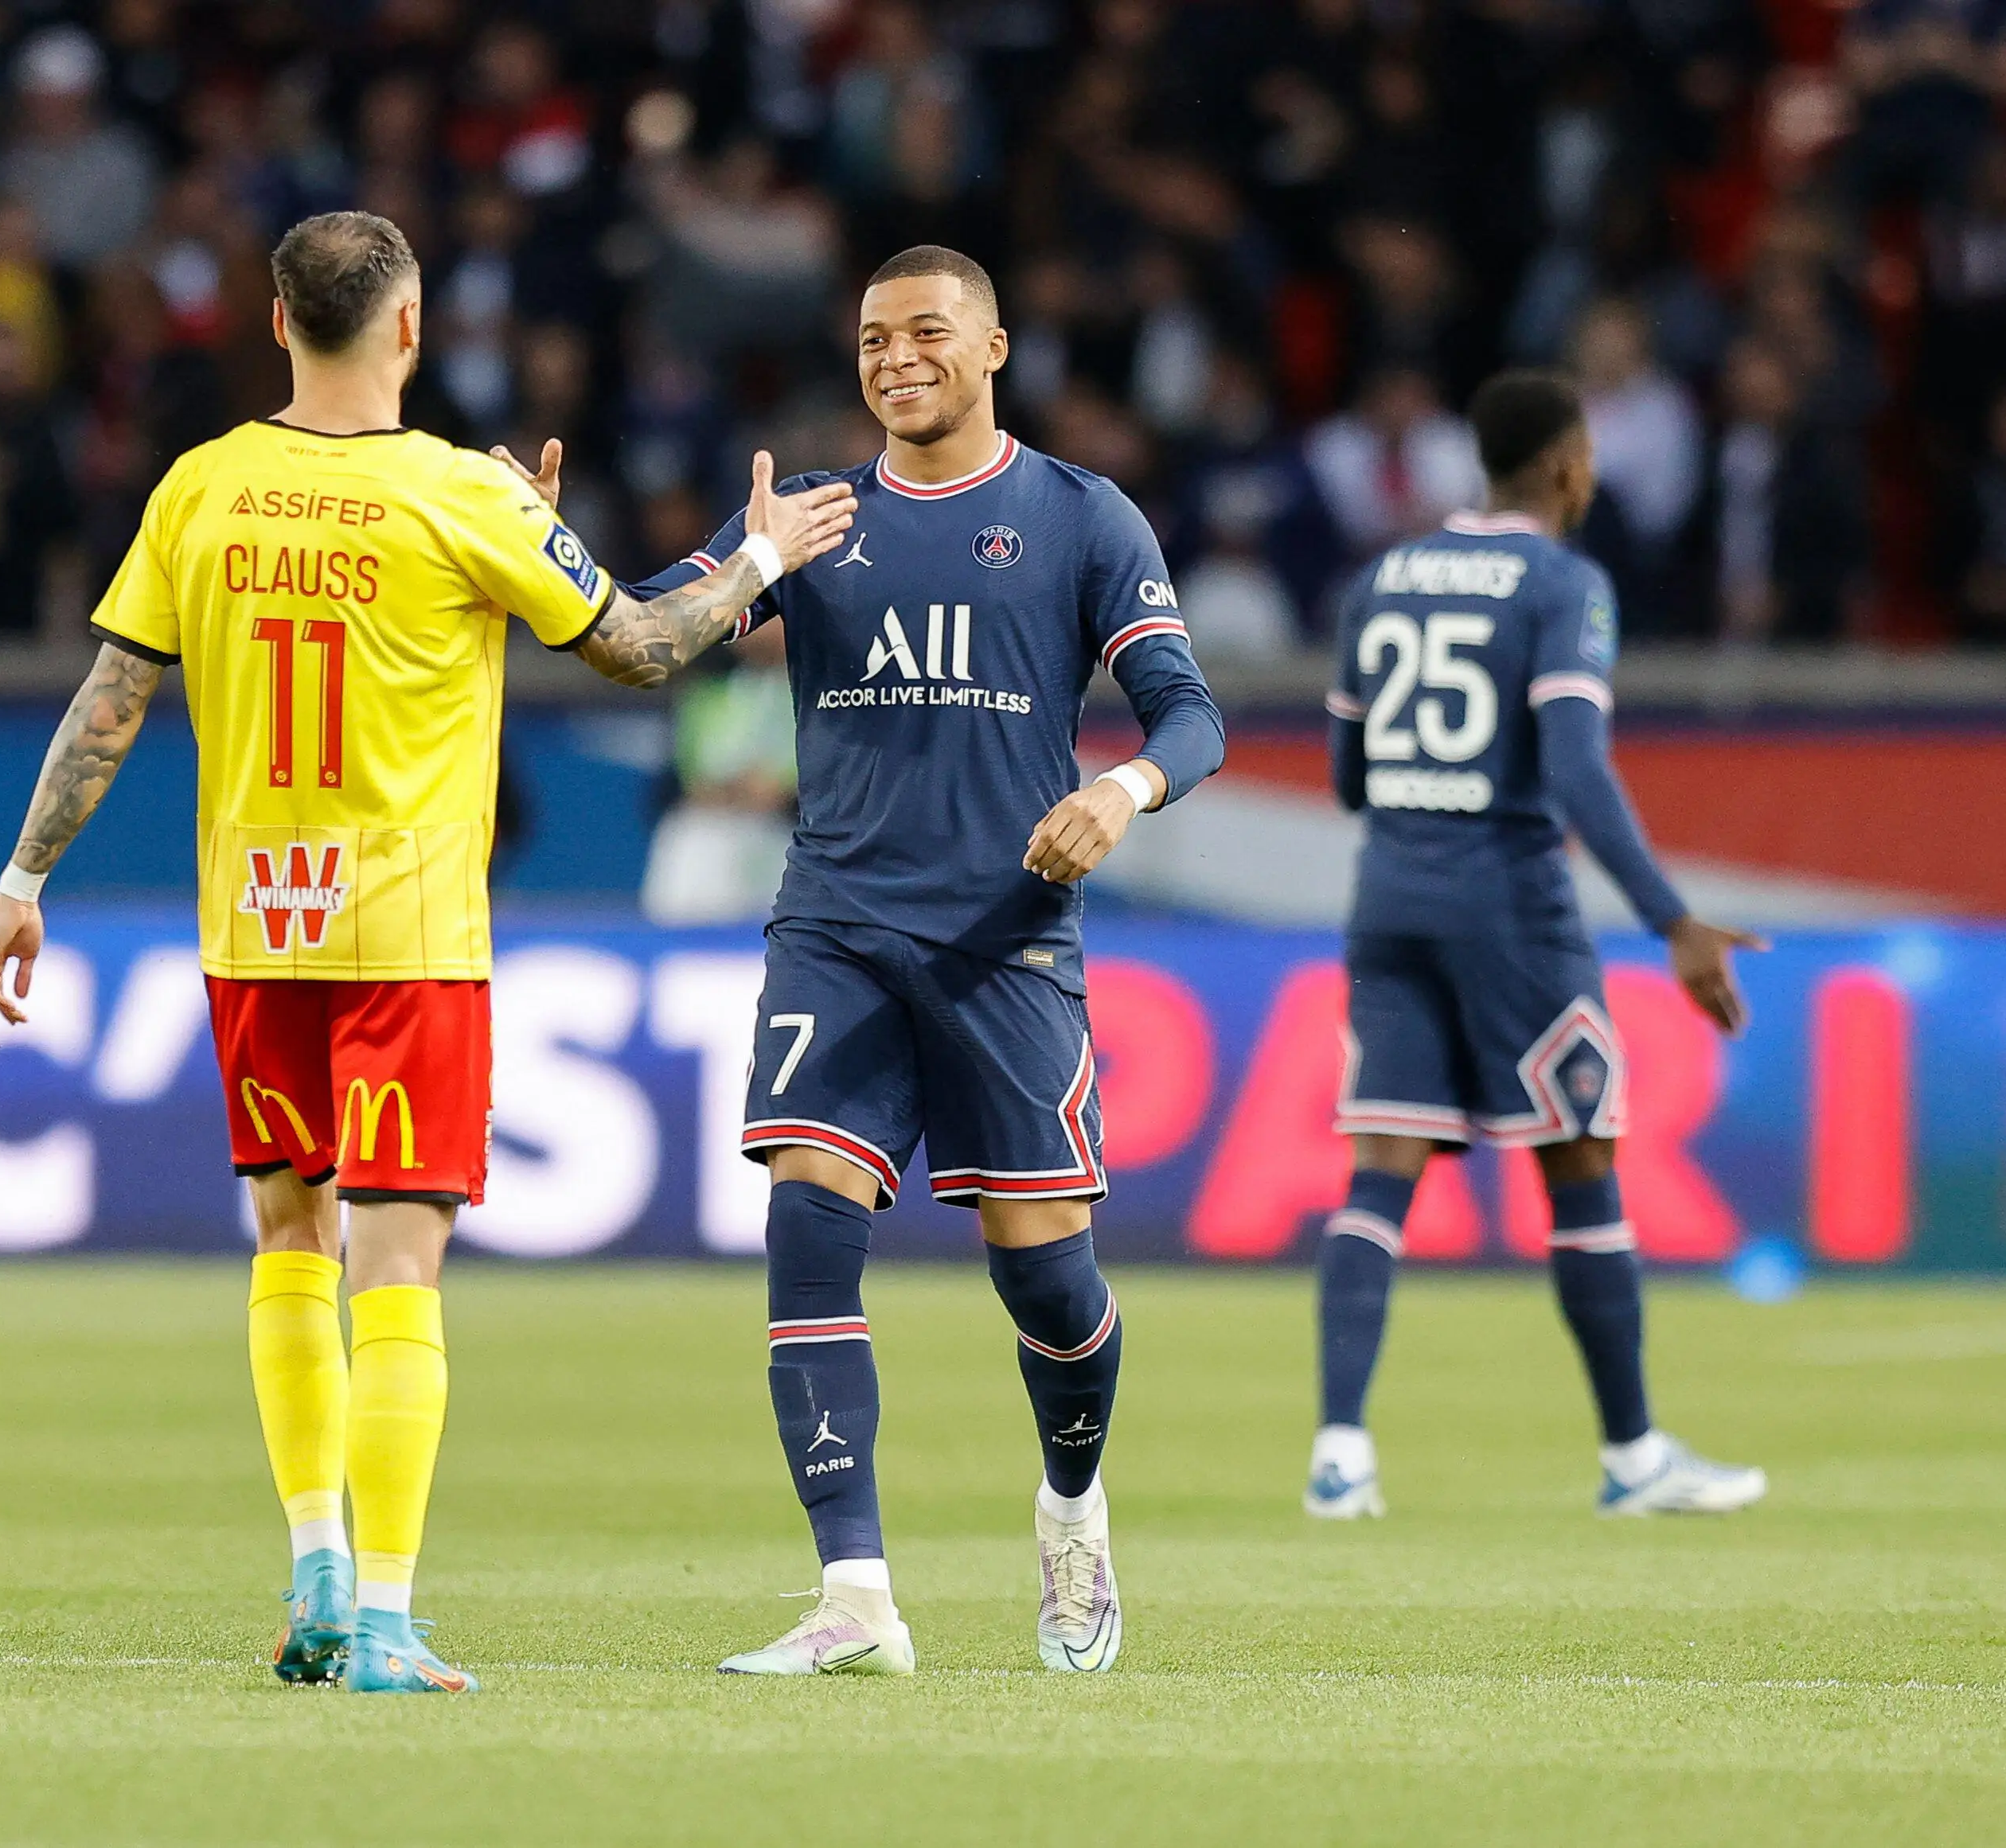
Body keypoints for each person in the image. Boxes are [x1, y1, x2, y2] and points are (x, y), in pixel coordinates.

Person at [0, 210, 854, 1696]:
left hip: (257, 926)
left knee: (287, 1242)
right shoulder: (463, 494)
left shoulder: (202, 488)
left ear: (274, 323)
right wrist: (760, 552)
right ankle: (379, 1614)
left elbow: (112, 699)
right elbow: (639, 645)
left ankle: (317, 1568)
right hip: (408, 942)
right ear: (408, 331)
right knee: (399, 1275)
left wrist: (23, 876)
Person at [505, 245, 1225, 1676]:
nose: (897, 356)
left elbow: (1187, 714)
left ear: (997, 346)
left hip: (1004, 946)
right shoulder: (810, 520)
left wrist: (1121, 791)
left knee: (1048, 1286)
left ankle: (1071, 1504)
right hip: (834, 928)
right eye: (874, 337)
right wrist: (547, 549)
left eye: (927, 332)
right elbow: (641, 633)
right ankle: (855, 1595)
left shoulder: (1080, 519)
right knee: (809, 1218)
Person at [1309, 369, 1767, 1523]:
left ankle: (1340, 1452)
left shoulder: (1382, 578)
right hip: (1510, 909)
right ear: (1570, 466)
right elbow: (1571, 766)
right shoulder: (1563, 584)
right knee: (1577, 1159)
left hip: (1390, 897)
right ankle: (1631, 1456)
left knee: (1380, 1167)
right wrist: (1671, 917)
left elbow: (1348, 777)